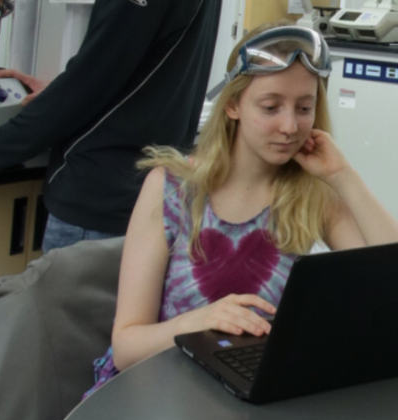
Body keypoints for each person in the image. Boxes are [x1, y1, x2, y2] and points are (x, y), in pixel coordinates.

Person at [83, 21, 398, 396]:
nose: (290, 126)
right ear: (232, 105)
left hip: (254, 396)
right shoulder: (171, 187)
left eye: (304, 107)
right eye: (271, 107)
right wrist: (198, 321)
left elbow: (391, 278)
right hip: (161, 393)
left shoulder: (313, 193)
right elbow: (126, 347)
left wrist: (343, 176)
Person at [0, 0, 222, 251]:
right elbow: (131, 68)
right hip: (149, 193)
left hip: (98, 200)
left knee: (71, 312)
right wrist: (60, 90)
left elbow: (91, 79)